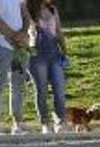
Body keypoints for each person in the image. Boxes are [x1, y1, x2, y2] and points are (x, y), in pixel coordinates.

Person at [0, 0, 33, 136]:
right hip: (1, 45)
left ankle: (18, 124)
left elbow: (25, 14)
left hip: (20, 45)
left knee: (18, 86)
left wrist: (23, 33)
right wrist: (13, 37)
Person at [28, 0, 68, 134]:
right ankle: (45, 123)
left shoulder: (52, 9)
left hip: (54, 53)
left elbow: (58, 31)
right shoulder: (28, 10)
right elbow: (29, 32)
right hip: (37, 54)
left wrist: (64, 51)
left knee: (59, 89)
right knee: (41, 90)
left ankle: (60, 121)